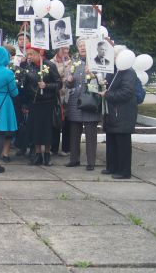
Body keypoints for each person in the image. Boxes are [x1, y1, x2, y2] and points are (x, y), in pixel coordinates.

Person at [101, 50, 138, 179]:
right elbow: (108, 85)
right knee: (111, 141)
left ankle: (124, 170)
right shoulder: (115, 71)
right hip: (112, 112)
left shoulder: (129, 73)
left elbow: (127, 92)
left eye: (116, 56)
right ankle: (112, 167)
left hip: (123, 112)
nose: (114, 58)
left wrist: (108, 95)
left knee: (122, 143)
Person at [65, 39, 100, 170]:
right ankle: (74, 159)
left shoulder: (96, 62)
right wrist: (69, 81)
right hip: (75, 102)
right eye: (80, 45)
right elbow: (69, 84)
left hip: (90, 101)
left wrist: (91, 76)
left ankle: (91, 162)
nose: (82, 47)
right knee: (74, 133)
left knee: (91, 134)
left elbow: (100, 83)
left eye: (85, 45)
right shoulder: (74, 62)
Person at [24, 45, 61, 166]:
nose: (29, 57)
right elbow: (27, 85)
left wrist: (47, 86)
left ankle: (47, 154)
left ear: (39, 53)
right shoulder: (29, 67)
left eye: (31, 54)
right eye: (27, 54)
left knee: (47, 130)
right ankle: (38, 154)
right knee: (36, 130)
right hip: (34, 103)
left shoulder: (50, 65)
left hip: (48, 103)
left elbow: (58, 84)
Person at [51, 46, 72, 157]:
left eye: (67, 49)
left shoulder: (73, 63)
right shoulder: (51, 62)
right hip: (56, 96)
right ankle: (53, 147)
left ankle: (66, 148)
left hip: (68, 96)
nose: (65, 51)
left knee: (67, 123)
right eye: (63, 49)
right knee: (55, 121)